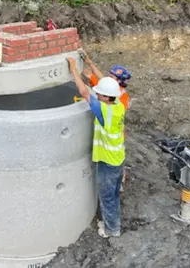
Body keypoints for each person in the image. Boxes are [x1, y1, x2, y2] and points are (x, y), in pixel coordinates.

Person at [66, 55, 126, 238]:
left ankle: (111, 230)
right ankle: (112, 222)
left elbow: (84, 92)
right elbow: (101, 87)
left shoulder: (103, 111)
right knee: (114, 195)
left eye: (99, 93)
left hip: (108, 162)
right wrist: (91, 65)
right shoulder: (117, 106)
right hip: (118, 160)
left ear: (107, 97)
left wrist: (74, 69)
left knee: (107, 197)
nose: (96, 94)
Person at [78, 49, 132, 192]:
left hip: (114, 135)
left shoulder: (120, 97)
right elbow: (93, 75)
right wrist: (88, 62)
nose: (108, 77)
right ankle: (118, 179)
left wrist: (73, 69)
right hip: (114, 132)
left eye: (112, 76)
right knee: (117, 159)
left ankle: (119, 182)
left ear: (119, 82)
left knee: (115, 160)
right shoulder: (112, 89)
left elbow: (92, 84)